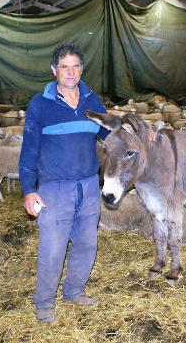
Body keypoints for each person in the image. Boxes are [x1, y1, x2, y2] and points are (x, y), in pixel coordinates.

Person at [19, 42, 109, 323]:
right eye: (65, 66)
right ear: (54, 70)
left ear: (82, 69)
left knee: (87, 243)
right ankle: (44, 303)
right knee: (53, 248)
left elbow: (110, 135)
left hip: (89, 185)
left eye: (76, 66)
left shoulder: (92, 102)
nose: (71, 72)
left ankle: (74, 291)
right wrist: (28, 190)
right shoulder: (40, 104)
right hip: (54, 189)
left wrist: (142, 134)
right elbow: (29, 149)